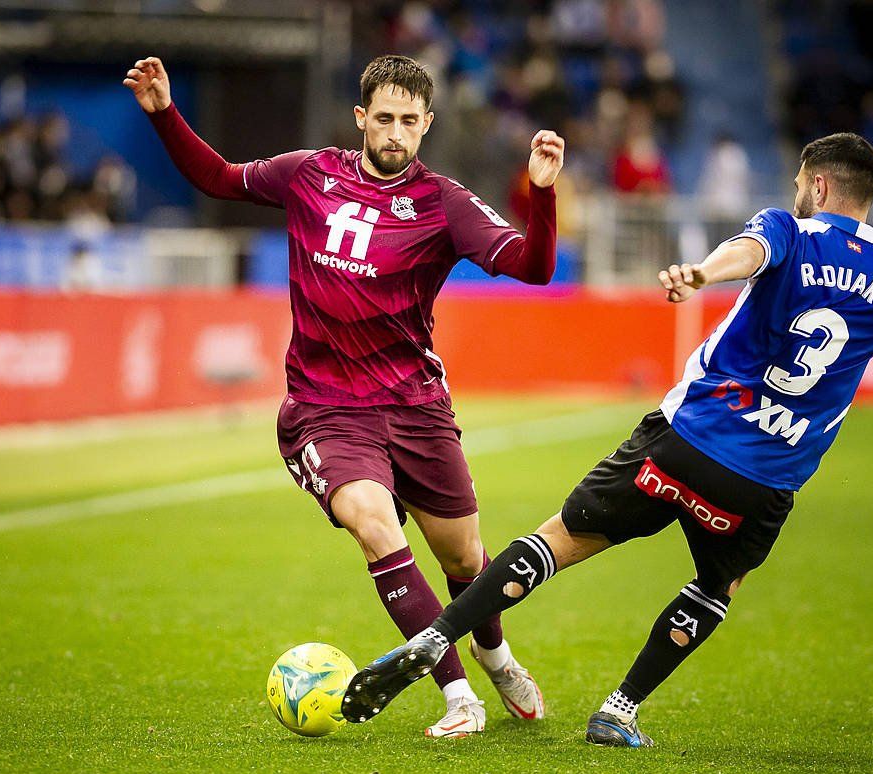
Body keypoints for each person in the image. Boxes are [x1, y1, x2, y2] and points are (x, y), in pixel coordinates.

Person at [341, 133, 873, 746]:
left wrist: (700, 274)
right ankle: (619, 709)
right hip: (764, 479)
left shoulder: (788, 227)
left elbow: (747, 251)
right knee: (720, 583)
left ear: (816, 185)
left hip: (685, 439)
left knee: (561, 538)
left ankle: (435, 639)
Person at [124, 54, 565, 737]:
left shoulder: (443, 202)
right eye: (383, 118)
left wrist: (541, 192)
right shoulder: (308, 173)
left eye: (408, 122)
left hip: (415, 406)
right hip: (326, 409)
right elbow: (218, 178)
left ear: (427, 126)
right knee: (375, 524)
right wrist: (163, 112)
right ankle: (458, 696)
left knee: (464, 560)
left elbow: (531, 267)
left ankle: (495, 653)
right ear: (362, 118)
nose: (395, 132)